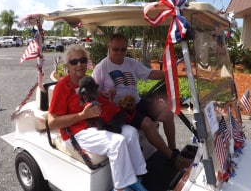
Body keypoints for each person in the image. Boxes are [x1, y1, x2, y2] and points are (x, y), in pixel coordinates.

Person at [48, 44, 148, 191]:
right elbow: (52, 122)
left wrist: (106, 97)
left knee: (131, 133)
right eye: (74, 62)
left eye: (82, 60)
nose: (79, 64)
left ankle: (136, 177)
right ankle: (120, 188)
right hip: (76, 131)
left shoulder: (89, 81)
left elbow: (98, 99)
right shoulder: (62, 87)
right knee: (117, 142)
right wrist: (82, 115)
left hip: (97, 124)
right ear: (67, 65)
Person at [92, 33, 191, 169]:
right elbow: (94, 92)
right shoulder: (102, 67)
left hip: (137, 102)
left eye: (123, 49)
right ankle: (172, 158)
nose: (119, 53)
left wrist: (171, 74)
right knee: (147, 123)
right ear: (109, 48)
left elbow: (151, 74)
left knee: (167, 114)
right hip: (120, 109)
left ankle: (173, 150)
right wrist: (105, 94)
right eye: (116, 49)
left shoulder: (131, 63)